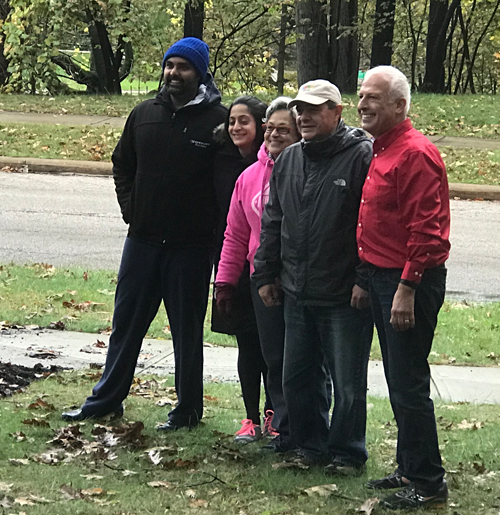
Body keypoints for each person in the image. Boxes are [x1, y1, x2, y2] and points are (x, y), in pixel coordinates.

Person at [61, 37, 227, 431]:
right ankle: (106, 400)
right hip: (142, 242)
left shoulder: (217, 122)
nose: (173, 73)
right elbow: (122, 164)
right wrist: (131, 209)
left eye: (183, 67)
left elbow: (226, 182)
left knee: (186, 332)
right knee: (126, 325)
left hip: (189, 248)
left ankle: (187, 410)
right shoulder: (143, 114)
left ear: (200, 72)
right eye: (169, 65)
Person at [252, 80, 374, 473]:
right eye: (300, 109)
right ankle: (309, 446)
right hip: (296, 289)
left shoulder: (360, 156)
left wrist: (363, 279)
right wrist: (266, 272)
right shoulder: (288, 160)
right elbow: (274, 220)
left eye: (315, 109)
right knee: (297, 377)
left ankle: (347, 453)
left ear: (337, 113)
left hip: (342, 293)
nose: (304, 116)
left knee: (348, 383)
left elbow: (370, 226)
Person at [357, 65, 450, 509]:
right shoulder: (381, 149)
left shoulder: (415, 153)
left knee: (408, 381)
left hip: (408, 280)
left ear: (399, 105)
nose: (362, 104)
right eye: (361, 95)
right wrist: (365, 279)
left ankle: (429, 483)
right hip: (379, 276)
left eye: (373, 97)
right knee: (396, 377)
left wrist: (407, 287)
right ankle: (409, 466)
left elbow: (428, 233)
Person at [215, 97, 301, 451]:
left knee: (295, 359)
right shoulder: (248, 177)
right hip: (258, 281)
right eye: (271, 129)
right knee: (265, 355)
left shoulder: (303, 170)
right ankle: (267, 421)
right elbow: (235, 233)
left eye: (285, 129)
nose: (275, 135)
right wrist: (225, 280)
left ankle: (294, 425)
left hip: (299, 281)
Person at [211, 96, 276, 443]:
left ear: (261, 126)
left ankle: (274, 413)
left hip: (268, 271)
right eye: (232, 121)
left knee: (273, 350)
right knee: (248, 346)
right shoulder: (223, 162)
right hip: (235, 267)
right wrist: (223, 278)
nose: (236, 127)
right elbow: (230, 227)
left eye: (244, 121)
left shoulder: (279, 164)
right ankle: (250, 416)